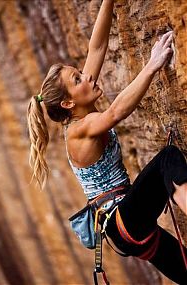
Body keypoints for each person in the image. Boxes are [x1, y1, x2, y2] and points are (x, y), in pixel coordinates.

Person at [27, 0, 187, 283]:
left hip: (128, 226)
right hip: (122, 221)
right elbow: (115, 112)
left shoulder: (82, 103)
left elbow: (97, 48)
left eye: (79, 72)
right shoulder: (78, 131)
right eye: (77, 79)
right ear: (68, 103)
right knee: (168, 160)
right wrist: (151, 65)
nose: (86, 77)